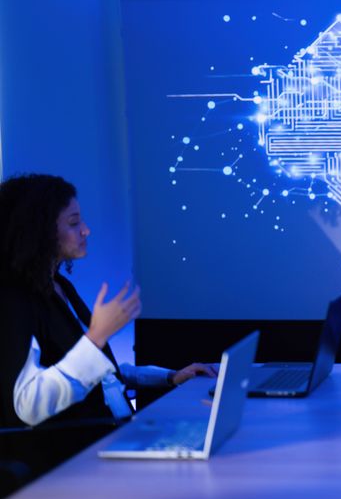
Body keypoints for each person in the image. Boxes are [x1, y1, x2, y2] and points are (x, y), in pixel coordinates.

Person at [0, 173, 216, 430]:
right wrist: (96, 337)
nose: (85, 230)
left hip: (115, 431)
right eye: (73, 223)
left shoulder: (59, 285)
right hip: (72, 455)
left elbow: (102, 373)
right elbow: (28, 407)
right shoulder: (12, 299)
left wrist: (171, 377)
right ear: (39, 231)